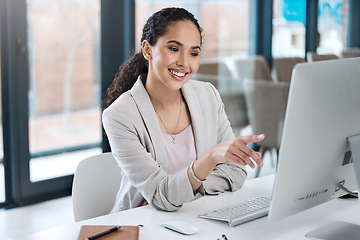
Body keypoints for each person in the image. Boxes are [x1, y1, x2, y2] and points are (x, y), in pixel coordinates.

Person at [102, 7, 265, 213]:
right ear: (147, 50)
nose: (184, 63)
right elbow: (160, 195)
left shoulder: (208, 96)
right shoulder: (119, 116)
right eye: (173, 49)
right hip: (143, 222)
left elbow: (235, 172)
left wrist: (181, 192)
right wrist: (210, 159)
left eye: (193, 53)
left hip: (197, 217)